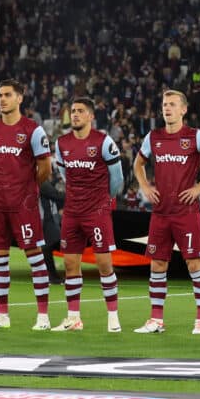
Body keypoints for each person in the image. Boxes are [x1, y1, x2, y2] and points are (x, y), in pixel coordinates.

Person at [132, 90, 200, 335]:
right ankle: (156, 320)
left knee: (194, 263)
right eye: (165, 104)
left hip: (186, 213)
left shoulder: (195, 136)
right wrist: (145, 186)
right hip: (161, 213)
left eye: (173, 104)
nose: (167, 108)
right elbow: (138, 164)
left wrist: (199, 188)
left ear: (183, 110)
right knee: (157, 264)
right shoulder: (153, 137)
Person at [0, 79, 53, 330]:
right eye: (0, 95)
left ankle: (43, 317)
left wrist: (27, 188)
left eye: (7, 95)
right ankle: (2, 315)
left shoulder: (33, 130)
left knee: (35, 257)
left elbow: (45, 168)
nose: (2, 99)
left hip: (24, 205)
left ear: (19, 98)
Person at [52, 98, 126, 332]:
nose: (75, 114)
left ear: (91, 116)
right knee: (70, 264)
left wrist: (103, 200)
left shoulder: (104, 142)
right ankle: (74, 319)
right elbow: (64, 174)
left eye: (80, 111)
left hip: (96, 212)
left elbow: (118, 179)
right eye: (73, 111)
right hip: (72, 211)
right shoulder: (61, 143)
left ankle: (113, 318)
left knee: (104, 264)